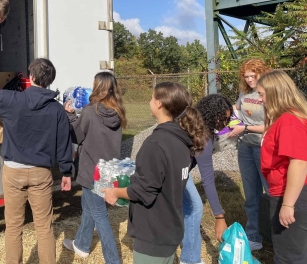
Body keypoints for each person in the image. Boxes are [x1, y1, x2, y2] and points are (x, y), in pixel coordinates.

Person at [0, 58, 73, 264]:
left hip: (13, 172)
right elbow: (64, 144)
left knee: (14, 226)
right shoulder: (57, 110)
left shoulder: (12, 100)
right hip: (41, 173)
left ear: (31, 78)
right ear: (50, 81)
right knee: (44, 228)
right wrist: (66, 172)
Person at [103, 82, 207, 264]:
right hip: (170, 228)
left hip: (153, 233)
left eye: (151, 98)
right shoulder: (182, 141)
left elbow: (144, 191)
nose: (149, 102)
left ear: (159, 103)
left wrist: (115, 192)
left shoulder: (156, 144)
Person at [62, 72, 127, 263]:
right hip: (108, 169)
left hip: (91, 170)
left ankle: (113, 260)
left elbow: (76, 136)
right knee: (89, 207)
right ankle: (82, 245)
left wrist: (70, 116)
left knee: (100, 215)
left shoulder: (92, 111)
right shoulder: (118, 112)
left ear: (98, 86)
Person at [257, 71, 307, 263]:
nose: (260, 100)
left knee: (289, 256)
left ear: (275, 93)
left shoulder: (288, 120)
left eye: (262, 94)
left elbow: (299, 162)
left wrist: (288, 204)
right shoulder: (291, 118)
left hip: (289, 194)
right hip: (292, 194)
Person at [181, 94, 233, 264]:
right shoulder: (202, 136)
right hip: (174, 172)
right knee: (195, 207)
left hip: (171, 169)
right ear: (212, 115)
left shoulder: (192, 120)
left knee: (184, 208)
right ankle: (190, 260)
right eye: (222, 119)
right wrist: (219, 216)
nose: (224, 124)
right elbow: (208, 179)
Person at [228, 58, 270, 251]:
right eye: (247, 76)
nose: (250, 80)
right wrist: (228, 113)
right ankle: (254, 236)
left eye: (254, 76)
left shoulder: (269, 93)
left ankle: (276, 234)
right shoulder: (244, 92)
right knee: (251, 193)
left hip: (264, 148)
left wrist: (245, 127)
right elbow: (237, 109)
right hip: (245, 146)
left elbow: (271, 126)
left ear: (262, 73)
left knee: (271, 193)